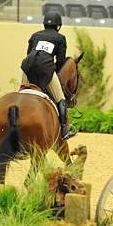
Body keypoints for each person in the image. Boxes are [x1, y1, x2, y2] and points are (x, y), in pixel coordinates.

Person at [21, 12, 77, 140]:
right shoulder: (60, 38)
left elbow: (29, 53)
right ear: (58, 26)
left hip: (27, 66)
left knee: (21, 95)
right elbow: (61, 62)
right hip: (46, 68)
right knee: (61, 99)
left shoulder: (35, 35)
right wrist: (50, 74)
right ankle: (64, 131)